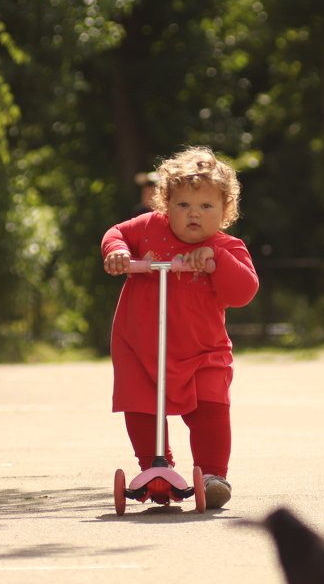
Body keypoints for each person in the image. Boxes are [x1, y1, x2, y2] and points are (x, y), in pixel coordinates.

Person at [102, 146, 259, 509]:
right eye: (183, 205)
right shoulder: (149, 229)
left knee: (210, 409)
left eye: (206, 207)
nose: (194, 214)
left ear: (225, 212)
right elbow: (117, 233)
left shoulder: (226, 246)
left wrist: (216, 261)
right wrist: (117, 251)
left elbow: (244, 292)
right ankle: (154, 470)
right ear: (165, 205)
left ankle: (214, 475)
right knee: (140, 406)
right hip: (140, 346)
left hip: (202, 351)